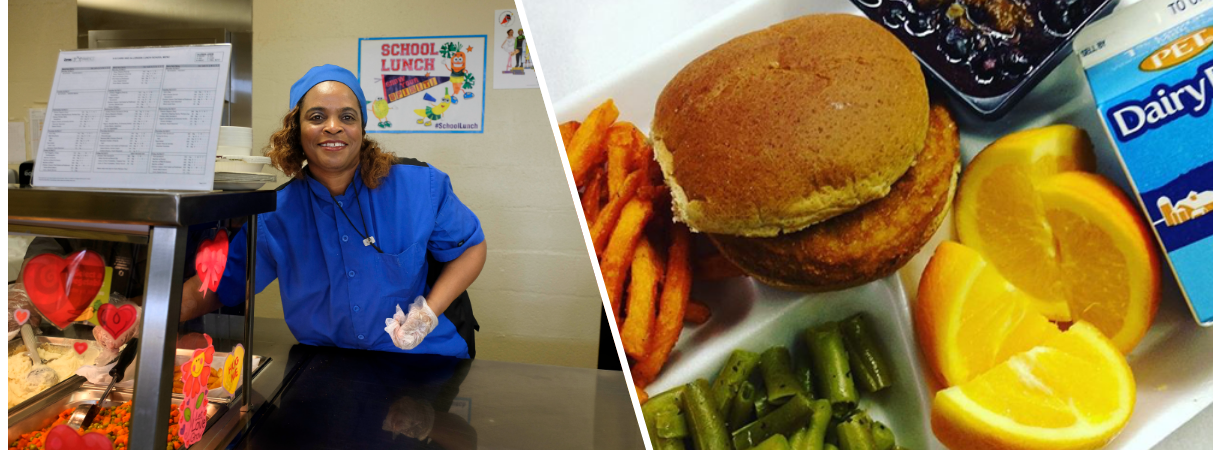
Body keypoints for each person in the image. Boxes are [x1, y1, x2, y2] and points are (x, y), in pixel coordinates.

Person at [179, 64, 487, 358]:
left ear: (361, 129)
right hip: (328, 363)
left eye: (347, 117)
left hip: (423, 360)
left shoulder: (420, 185)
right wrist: (142, 314)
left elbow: (470, 249)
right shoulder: (274, 214)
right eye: (316, 116)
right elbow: (218, 287)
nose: (333, 127)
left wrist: (425, 316)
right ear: (295, 130)